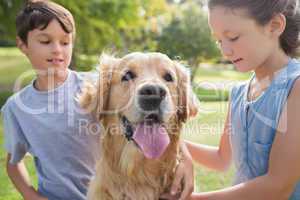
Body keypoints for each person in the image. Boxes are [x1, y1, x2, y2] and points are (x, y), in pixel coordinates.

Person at [1, 1, 194, 200]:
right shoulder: (16, 108)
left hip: (111, 190)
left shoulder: (93, 84)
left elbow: (168, 126)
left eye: (65, 42)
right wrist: (31, 196)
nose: (57, 49)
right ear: (22, 45)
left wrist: (186, 159)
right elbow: (13, 162)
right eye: (45, 41)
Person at [185, 0, 300, 199]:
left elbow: (279, 186)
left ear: (274, 26)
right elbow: (222, 159)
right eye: (219, 40)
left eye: (233, 37)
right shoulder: (239, 93)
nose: (225, 51)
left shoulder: (295, 87)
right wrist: (174, 143)